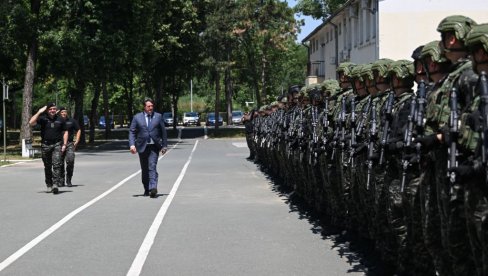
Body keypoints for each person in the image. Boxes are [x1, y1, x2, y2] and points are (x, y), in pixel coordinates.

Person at [129, 98, 168, 198]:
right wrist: (132, 145)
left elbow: (163, 132)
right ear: (144, 107)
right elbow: (132, 131)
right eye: (148, 106)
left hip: (154, 147)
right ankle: (147, 188)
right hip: (142, 147)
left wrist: (164, 145)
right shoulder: (137, 117)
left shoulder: (158, 116)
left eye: (152, 106)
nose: (151, 108)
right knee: (145, 169)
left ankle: (153, 188)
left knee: (152, 166)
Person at [29, 102, 68, 194]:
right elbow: (31, 122)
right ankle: (49, 185)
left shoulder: (60, 119)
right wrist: (39, 112)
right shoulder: (43, 119)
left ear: (56, 110)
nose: (52, 110)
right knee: (47, 166)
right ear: (47, 110)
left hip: (57, 145)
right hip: (45, 145)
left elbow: (65, 132)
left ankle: (55, 184)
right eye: (50, 109)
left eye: (54, 109)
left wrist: (64, 144)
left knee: (57, 164)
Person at [58, 107, 81, 187]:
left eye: (65, 112)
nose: (63, 113)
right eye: (62, 112)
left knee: (70, 160)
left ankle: (69, 179)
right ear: (59, 113)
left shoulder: (71, 121)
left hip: (69, 144)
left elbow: (78, 130)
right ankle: (61, 180)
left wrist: (77, 140)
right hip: (59, 144)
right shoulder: (57, 121)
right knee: (59, 163)